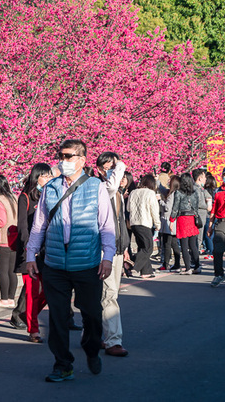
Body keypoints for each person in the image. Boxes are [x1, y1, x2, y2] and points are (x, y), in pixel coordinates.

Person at [26, 139, 116, 382]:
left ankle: (91, 347)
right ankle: (62, 364)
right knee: (56, 319)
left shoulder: (96, 187)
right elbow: (39, 225)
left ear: (82, 160)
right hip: (55, 265)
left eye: (69, 156)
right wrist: (30, 255)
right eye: (61, 156)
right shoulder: (50, 188)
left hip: (86, 264)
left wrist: (107, 258)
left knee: (92, 315)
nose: (63, 161)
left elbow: (107, 226)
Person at [12, 164, 54, 341]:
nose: (48, 179)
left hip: (48, 251)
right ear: (37, 177)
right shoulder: (25, 197)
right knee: (32, 292)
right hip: (30, 251)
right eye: (45, 176)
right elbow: (22, 227)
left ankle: (28, 314)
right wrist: (30, 249)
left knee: (50, 291)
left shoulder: (50, 196)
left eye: (50, 175)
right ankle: (33, 330)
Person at [95, 152, 128, 357]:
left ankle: (94, 334)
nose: (116, 172)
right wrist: (120, 165)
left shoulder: (118, 194)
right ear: (100, 169)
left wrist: (124, 249)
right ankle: (113, 340)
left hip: (116, 249)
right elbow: (112, 185)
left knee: (108, 294)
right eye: (110, 168)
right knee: (108, 295)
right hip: (101, 250)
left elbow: (120, 224)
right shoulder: (99, 188)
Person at [0, 174, 18, 308]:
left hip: (2, 239)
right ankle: (11, 298)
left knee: (2, 271)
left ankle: (4, 299)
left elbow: (0, 221)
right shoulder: (14, 198)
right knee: (12, 271)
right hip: (14, 240)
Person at [128, 174, 160, 279]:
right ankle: (130, 262)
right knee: (148, 249)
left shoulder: (133, 192)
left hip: (134, 223)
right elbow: (154, 210)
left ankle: (146, 271)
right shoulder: (150, 193)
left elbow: (128, 208)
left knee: (141, 247)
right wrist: (157, 224)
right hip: (144, 222)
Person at [171, 174, 201, 275]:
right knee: (193, 245)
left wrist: (172, 220)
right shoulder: (195, 193)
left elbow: (175, 208)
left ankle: (188, 268)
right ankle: (197, 266)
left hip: (182, 218)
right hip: (192, 218)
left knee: (184, 245)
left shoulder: (178, 193)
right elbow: (196, 207)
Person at [159, 175, 181, 271]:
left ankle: (166, 263)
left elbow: (167, 207)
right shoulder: (177, 193)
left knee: (167, 243)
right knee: (173, 243)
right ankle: (177, 263)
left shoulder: (172, 194)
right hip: (174, 221)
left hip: (169, 220)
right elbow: (162, 189)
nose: (168, 181)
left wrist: (160, 201)